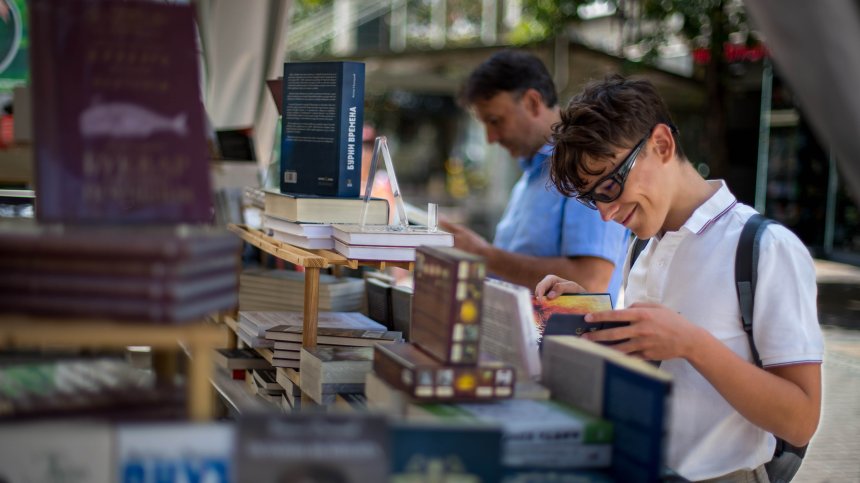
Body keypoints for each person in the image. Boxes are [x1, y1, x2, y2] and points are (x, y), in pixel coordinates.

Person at [535, 74, 823, 482]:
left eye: (612, 184)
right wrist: (591, 311)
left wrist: (691, 344)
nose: (606, 212)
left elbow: (801, 420)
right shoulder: (641, 246)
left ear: (662, 145)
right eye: (593, 196)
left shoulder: (764, 246)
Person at [441, 50, 629, 297]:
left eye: (496, 121)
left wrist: (483, 255)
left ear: (532, 102)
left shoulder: (587, 165)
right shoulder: (531, 175)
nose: (490, 138)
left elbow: (591, 281)